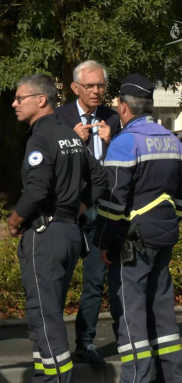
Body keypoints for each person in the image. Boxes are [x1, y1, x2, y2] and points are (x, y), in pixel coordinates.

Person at [7, 74, 108, 383]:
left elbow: (36, 191)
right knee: (47, 315)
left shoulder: (40, 137)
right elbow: (100, 180)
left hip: (45, 234)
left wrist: (14, 220)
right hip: (69, 232)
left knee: (45, 317)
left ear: (41, 100)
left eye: (19, 98)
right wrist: (75, 209)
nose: (14, 103)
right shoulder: (70, 134)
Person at [95, 74, 182, 382]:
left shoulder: (124, 143)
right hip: (165, 235)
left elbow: (112, 202)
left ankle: (137, 377)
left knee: (130, 314)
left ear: (123, 107)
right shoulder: (172, 139)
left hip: (133, 240)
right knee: (163, 312)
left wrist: (106, 240)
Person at [55, 60, 121, 366]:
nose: (96, 92)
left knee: (95, 280)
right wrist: (73, 141)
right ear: (75, 88)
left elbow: (121, 166)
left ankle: (86, 342)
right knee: (61, 278)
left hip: (103, 209)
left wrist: (112, 142)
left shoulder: (113, 118)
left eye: (101, 86)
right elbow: (50, 166)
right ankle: (53, 344)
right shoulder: (60, 118)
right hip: (72, 208)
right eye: (90, 86)